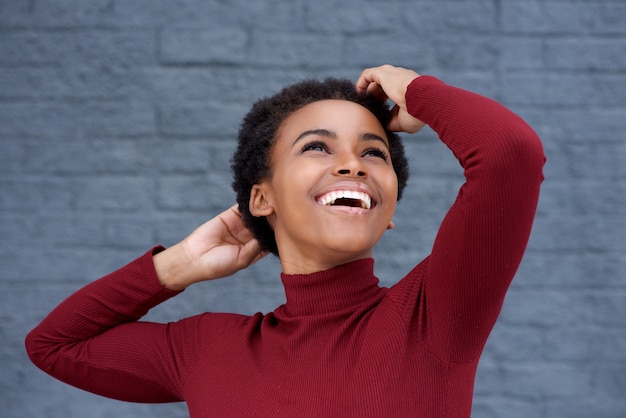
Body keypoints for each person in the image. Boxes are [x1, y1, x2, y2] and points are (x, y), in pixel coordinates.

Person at [25, 65, 545, 417]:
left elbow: (510, 154)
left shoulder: (434, 316)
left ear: (388, 213)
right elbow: (54, 346)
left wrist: (413, 88)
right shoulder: (204, 349)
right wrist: (179, 265)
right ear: (262, 199)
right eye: (317, 146)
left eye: (375, 153)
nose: (351, 164)